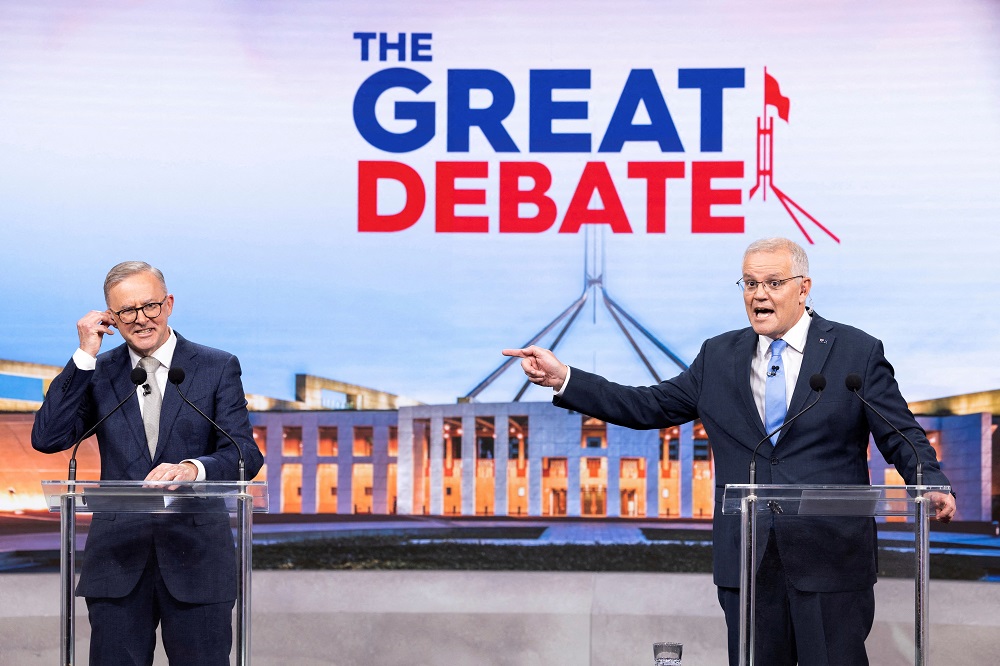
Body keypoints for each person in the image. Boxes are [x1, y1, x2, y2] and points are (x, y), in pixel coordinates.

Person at [503, 237, 955, 666]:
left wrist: (930, 481)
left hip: (830, 557)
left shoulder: (855, 351)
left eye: (773, 283)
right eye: (750, 283)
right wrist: (565, 378)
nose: (759, 294)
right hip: (749, 562)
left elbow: (900, 433)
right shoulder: (718, 356)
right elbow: (647, 405)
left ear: (804, 289)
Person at [32, 261, 263, 666]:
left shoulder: (216, 366)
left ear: (168, 303)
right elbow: (48, 438)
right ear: (111, 317)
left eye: (150, 306)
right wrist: (85, 354)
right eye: (126, 311)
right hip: (118, 560)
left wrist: (193, 469)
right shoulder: (98, 373)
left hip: (197, 559)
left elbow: (244, 453)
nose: (141, 319)